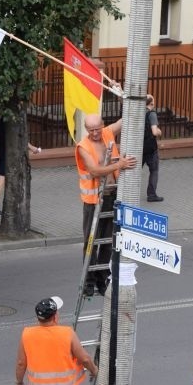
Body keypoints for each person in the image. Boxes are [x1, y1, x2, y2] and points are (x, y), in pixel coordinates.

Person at [75, 113, 136, 296]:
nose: (95, 133)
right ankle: (89, 281)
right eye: (91, 130)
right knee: (91, 241)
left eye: (97, 129)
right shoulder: (83, 147)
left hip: (112, 196)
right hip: (94, 201)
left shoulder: (108, 133)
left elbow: (125, 119)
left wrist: (139, 101)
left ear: (103, 125)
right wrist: (120, 165)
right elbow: (94, 171)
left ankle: (102, 278)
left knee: (109, 241)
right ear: (86, 130)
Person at [0, 131, 41, 216]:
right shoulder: (9, 122)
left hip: (2, 151)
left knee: (7, 176)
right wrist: (32, 148)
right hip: (6, 152)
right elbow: (19, 136)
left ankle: (12, 202)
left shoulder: (1, 121)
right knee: (2, 178)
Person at [143, 94, 163, 202]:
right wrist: (159, 132)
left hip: (139, 148)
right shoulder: (152, 114)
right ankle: (151, 195)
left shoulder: (137, 113)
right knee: (154, 170)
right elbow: (155, 131)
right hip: (150, 147)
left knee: (134, 171)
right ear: (151, 104)